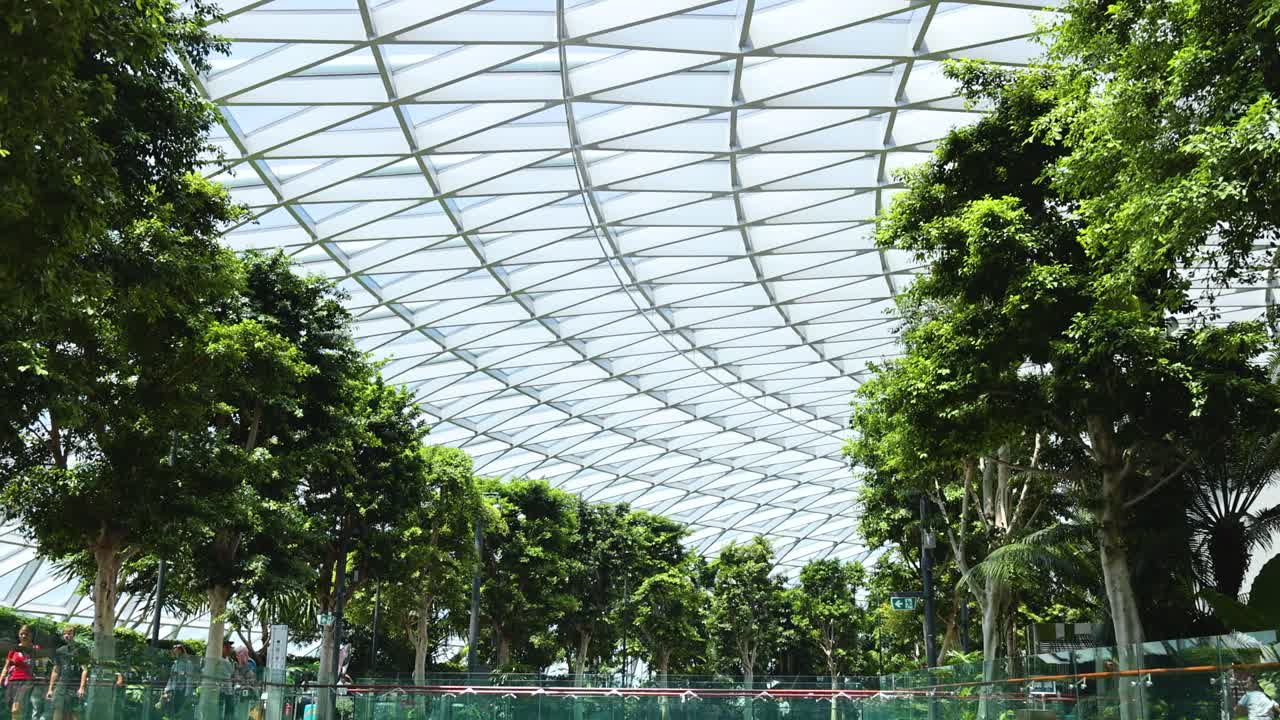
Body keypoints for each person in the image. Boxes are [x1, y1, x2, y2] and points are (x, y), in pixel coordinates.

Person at [45, 627, 86, 720]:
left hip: (75, 684)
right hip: (61, 684)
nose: (67, 636)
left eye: (69, 633)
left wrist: (82, 687)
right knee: (57, 708)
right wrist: (50, 689)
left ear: (74, 635)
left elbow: (85, 669)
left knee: (75, 710)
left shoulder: (80, 650)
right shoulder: (60, 651)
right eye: (65, 633)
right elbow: (56, 670)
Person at [2, 625, 39, 720]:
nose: (23, 636)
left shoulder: (35, 649)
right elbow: (6, 667)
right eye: (21, 634)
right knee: (12, 708)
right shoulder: (14, 649)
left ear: (31, 635)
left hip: (26, 681)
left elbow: (40, 667)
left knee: (16, 709)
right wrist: (1, 679)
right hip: (13, 681)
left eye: (26, 634)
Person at [160, 645, 194, 720]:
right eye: (174, 651)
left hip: (181, 690)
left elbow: (189, 678)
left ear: (181, 651)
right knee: (168, 709)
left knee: (177, 710)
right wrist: (166, 689)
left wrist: (187, 693)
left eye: (176, 651)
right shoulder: (175, 664)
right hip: (172, 690)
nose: (174, 653)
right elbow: (171, 678)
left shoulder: (188, 663)